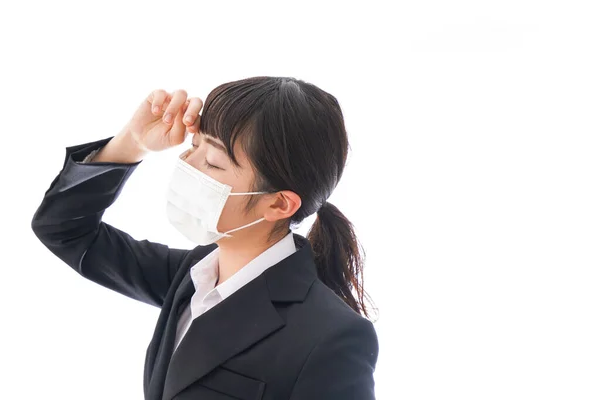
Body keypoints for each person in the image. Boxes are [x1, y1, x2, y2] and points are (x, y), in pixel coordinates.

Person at [31, 76, 379, 400]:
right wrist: (131, 144)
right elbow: (64, 229)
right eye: (194, 145)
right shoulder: (191, 276)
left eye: (212, 162)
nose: (187, 164)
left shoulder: (332, 337)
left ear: (278, 203)